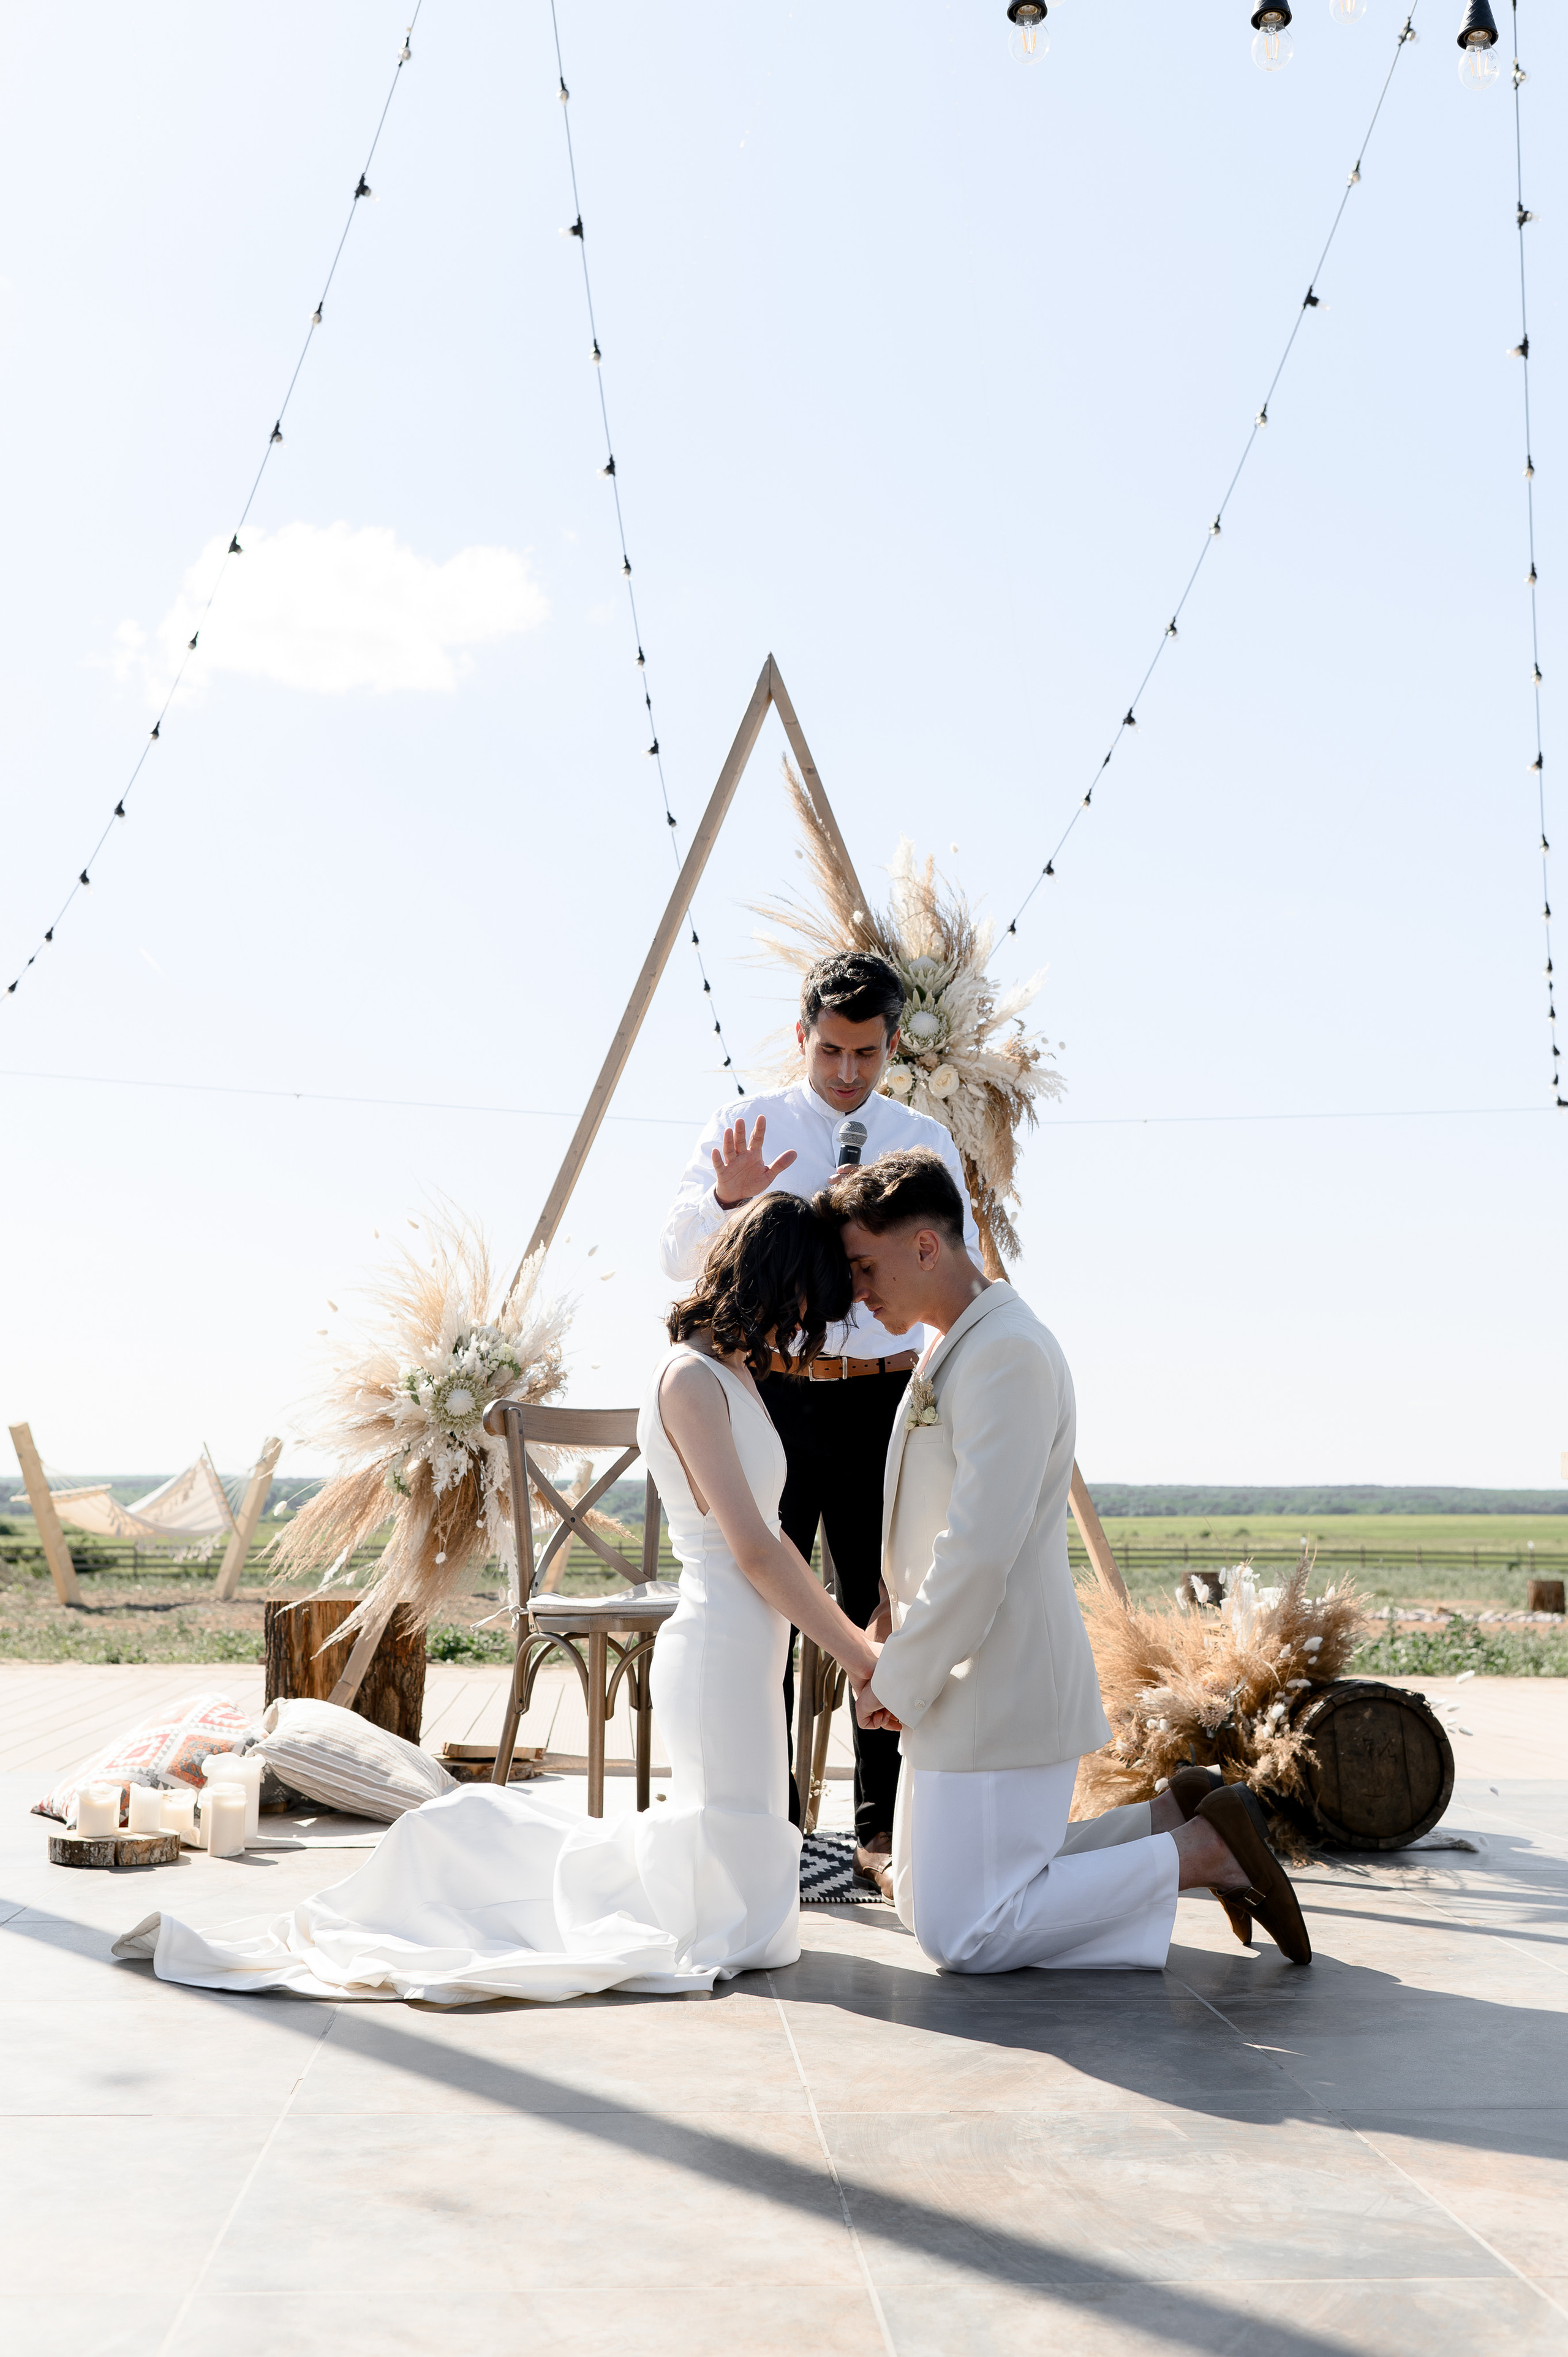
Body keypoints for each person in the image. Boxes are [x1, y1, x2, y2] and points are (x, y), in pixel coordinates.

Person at [113, 1195, 885, 2004]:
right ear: (777, 1277)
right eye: (806, 1300)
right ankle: (459, 1853)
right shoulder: (690, 1378)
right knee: (719, 1896)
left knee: (747, 1885)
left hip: (750, 1646)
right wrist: (858, 1650)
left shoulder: (733, 1371)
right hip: (722, 1644)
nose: (804, 1326)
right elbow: (756, 1548)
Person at [828, 1148, 1313, 1973]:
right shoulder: (952, 1349)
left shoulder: (1007, 1353)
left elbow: (978, 1549)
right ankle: (1170, 1822)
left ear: (925, 1246)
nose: (857, 1289)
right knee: (919, 1897)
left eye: (865, 1265)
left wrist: (899, 1678)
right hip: (956, 1678)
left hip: (1001, 1684)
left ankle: (1202, 1854)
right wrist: (888, 1628)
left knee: (964, 1934)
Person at [659, 948, 979, 1891]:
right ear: (803, 1036)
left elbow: (946, 1261)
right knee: (772, 1598)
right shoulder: (744, 1124)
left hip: (887, 1393)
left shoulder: (923, 1140)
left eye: (867, 1055)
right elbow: (677, 1254)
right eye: (832, 1051)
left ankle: (879, 1836)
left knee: (886, 1600)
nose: (848, 1073)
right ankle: (777, 1828)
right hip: (778, 1393)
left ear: (891, 1051)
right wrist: (733, 1198)